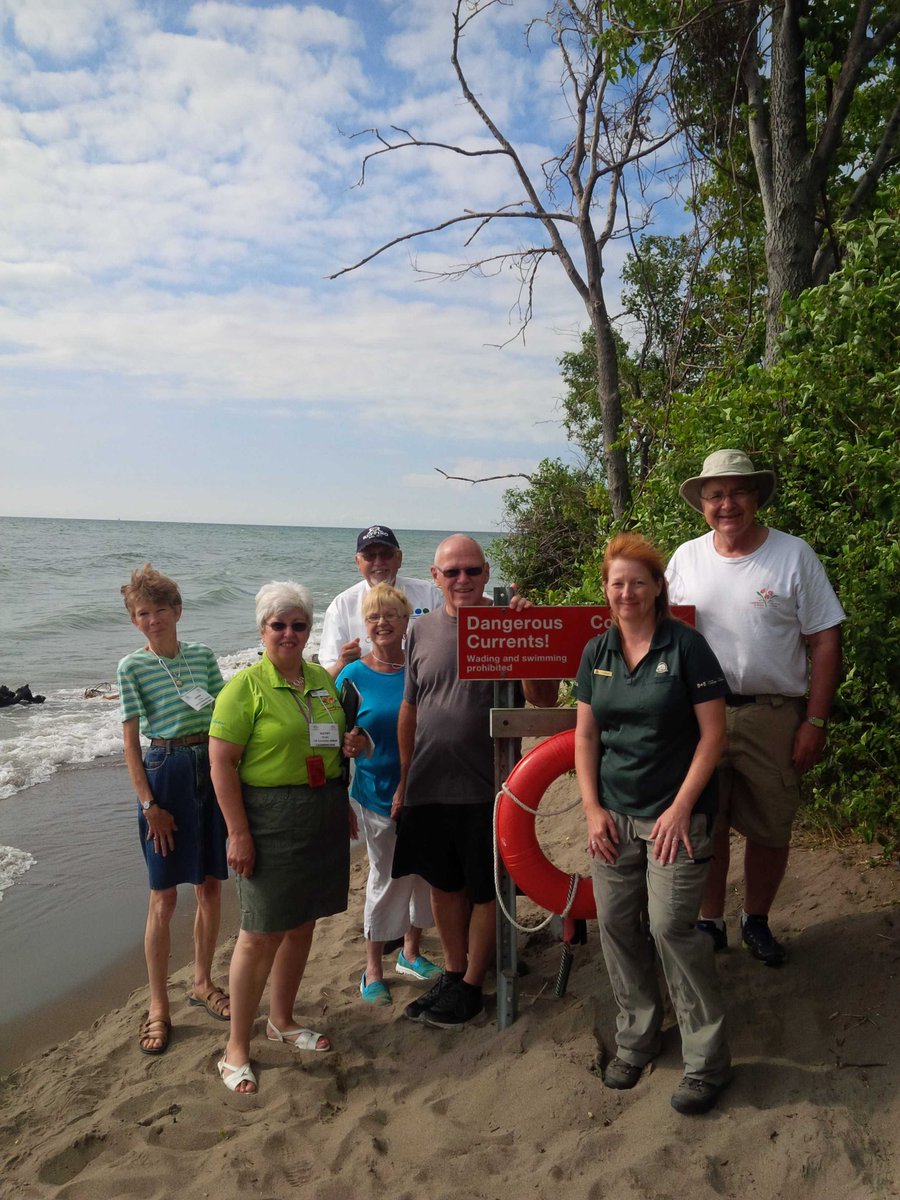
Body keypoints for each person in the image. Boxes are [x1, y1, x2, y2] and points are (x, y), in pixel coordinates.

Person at [667, 450, 845, 966]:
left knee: (771, 825)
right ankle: (710, 921)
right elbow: (659, 637)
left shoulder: (794, 556)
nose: (728, 504)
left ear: (756, 496)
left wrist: (815, 719)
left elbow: (826, 641)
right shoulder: (685, 559)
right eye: (716, 494)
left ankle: (758, 920)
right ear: (702, 502)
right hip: (702, 715)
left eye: (738, 491)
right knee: (708, 824)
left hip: (773, 713)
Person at [574, 532, 732, 1116]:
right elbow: (587, 736)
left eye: (638, 581)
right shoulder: (597, 653)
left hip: (678, 815)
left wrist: (681, 807)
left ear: (658, 586)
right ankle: (638, 1038)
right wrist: (591, 809)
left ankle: (707, 1063)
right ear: (607, 590)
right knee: (616, 924)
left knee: (669, 927)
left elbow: (714, 735)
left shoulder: (688, 648)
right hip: (613, 813)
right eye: (617, 583)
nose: (627, 592)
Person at [391, 534, 558, 1030]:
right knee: (443, 885)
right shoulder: (420, 632)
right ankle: (455, 970)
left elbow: (544, 699)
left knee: (486, 890)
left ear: (487, 573)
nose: (462, 580)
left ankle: (470, 989)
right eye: (452, 572)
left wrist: (527, 632)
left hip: (490, 786)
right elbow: (410, 708)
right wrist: (404, 781)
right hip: (429, 783)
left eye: (472, 571)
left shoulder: (507, 622)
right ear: (435, 576)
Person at [208, 581, 355, 1094]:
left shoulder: (320, 679)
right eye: (279, 625)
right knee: (260, 931)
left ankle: (282, 1020)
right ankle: (236, 1049)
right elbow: (221, 763)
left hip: (321, 810)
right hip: (268, 817)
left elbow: (333, 742)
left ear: (310, 629)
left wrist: (344, 787)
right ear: (262, 629)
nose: (289, 633)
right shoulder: (243, 688)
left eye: (299, 625)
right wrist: (238, 832)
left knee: (302, 923)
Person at [117, 564, 229, 1056]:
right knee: (163, 898)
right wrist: (150, 807)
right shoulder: (131, 668)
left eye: (161, 609)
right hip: (164, 773)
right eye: (143, 613)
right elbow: (130, 745)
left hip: (210, 766)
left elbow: (226, 714)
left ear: (177, 611)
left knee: (209, 886)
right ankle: (159, 1005)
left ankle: (202, 982)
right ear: (135, 619)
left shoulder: (202, 657)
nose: (153, 619)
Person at [337, 583, 439, 1005]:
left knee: (422, 875)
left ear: (406, 622)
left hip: (426, 787)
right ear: (366, 624)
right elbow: (334, 738)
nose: (383, 623)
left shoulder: (420, 665)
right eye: (374, 617)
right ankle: (373, 968)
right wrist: (350, 746)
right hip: (375, 792)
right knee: (386, 876)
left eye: (391, 616)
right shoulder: (351, 675)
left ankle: (411, 953)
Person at [318, 525, 441, 678]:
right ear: (358, 562)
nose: (378, 562)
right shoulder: (341, 605)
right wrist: (342, 662)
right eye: (370, 556)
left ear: (399, 558)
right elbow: (327, 674)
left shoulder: (428, 593)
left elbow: (448, 652)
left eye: (386, 554)